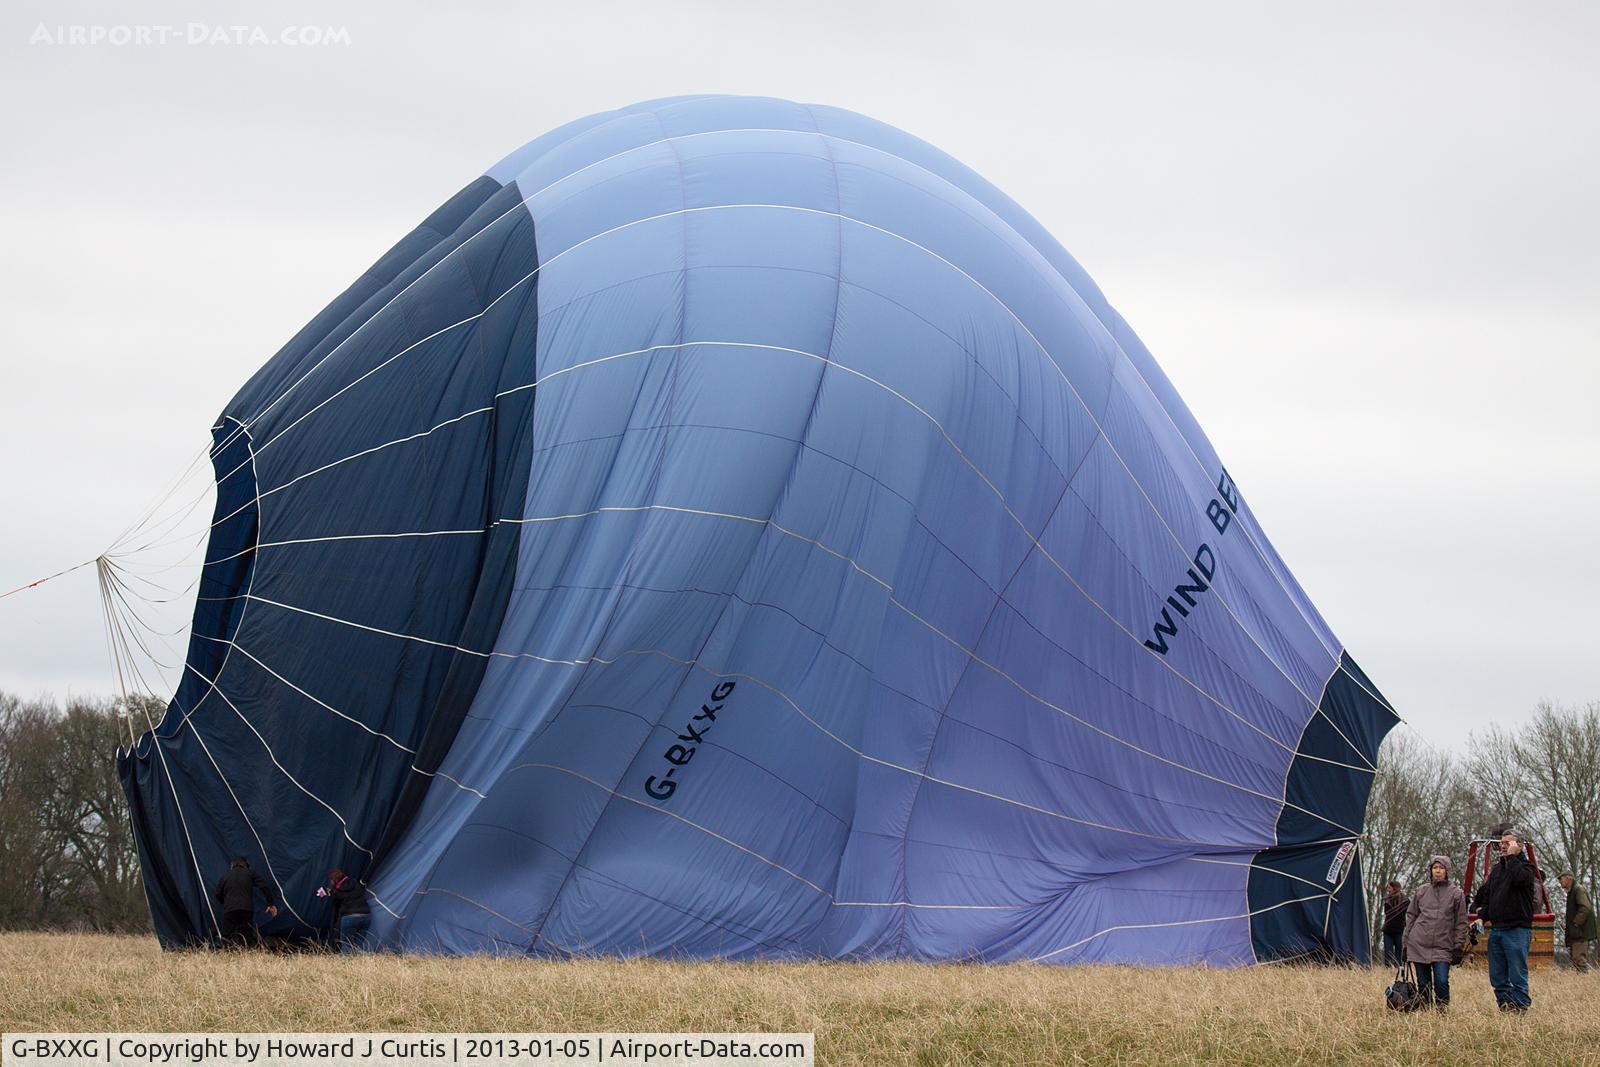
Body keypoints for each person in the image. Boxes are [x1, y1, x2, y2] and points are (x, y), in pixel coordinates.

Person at [1471, 829, 1537, 1011]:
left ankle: (1521, 1007)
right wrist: (1481, 918)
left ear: (1520, 846)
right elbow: (1488, 896)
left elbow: (1519, 879)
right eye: (1502, 843)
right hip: (1497, 929)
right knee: (1497, 975)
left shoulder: (1527, 868)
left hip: (1517, 929)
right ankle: (1506, 1006)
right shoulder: (1497, 869)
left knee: (1517, 973)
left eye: (1508, 843)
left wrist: (1514, 858)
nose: (1503, 846)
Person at [1403, 856, 1467, 1011]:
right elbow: (1411, 916)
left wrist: (1458, 945)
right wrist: (1405, 942)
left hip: (1443, 944)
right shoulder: (1421, 891)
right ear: (1430, 871)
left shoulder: (1456, 894)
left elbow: (1461, 922)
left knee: (1441, 981)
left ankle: (1442, 1010)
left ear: (1447, 871)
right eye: (1435, 868)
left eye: (1441, 868)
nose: (1438, 871)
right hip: (1419, 943)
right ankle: (1425, 1012)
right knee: (1423, 983)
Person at [213, 856, 279, 948]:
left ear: (232, 866)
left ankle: (226, 952)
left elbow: (217, 894)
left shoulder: (225, 876)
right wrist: (270, 903)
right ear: (245, 865)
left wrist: (226, 902)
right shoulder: (250, 873)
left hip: (230, 909)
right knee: (246, 934)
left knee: (226, 935)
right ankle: (245, 952)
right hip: (246, 909)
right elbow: (264, 886)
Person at [319, 867, 371, 953]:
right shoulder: (356, 883)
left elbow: (338, 896)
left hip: (349, 917)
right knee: (360, 946)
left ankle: (346, 964)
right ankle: (361, 964)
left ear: (334, 880)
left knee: (346, 945)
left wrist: (329, 892)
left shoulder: (337, 891)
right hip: (366, 916)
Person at [1559, 873, 1595, 973]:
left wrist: (1575, 923)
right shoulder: (1573, 891)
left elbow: (1585, 908)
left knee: (1579, 959)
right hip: (1577, 931)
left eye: (1561, 879)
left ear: (1568, 878)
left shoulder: (1578, 889)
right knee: (1576, 958)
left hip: (1581, 932)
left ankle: (1584, 984)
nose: (1560, 882)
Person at [1381, 880, 1409, 967]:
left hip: (1399, 930)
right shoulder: (1386, 899)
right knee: (1387, 954)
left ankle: (1399, 970)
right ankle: (1387, 971)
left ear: (1394, 888)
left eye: (1389, 887)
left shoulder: (1405, 900)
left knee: (1399, 954)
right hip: (1388, 930)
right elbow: (1387, 913)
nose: (1388, 890)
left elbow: (1405, 912)